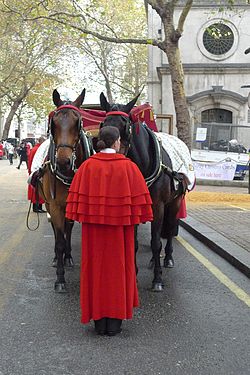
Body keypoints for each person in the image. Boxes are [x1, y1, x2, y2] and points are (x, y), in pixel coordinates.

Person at [66, 126, 153, 336]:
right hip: (119, 235)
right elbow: (142, 206)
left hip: (93, 234)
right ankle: (114, 323)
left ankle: (99, 320)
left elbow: (74, 205)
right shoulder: (129, 168)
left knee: (94, 270)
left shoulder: (86, 167)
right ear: (117, 142)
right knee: (118, 271)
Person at [27, 137, 46, 213]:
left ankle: (37, 207)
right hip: (36, 172)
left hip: (34, 172)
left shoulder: (35, 148)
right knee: (37, 191)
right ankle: (37, 207)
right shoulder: (39, 150)